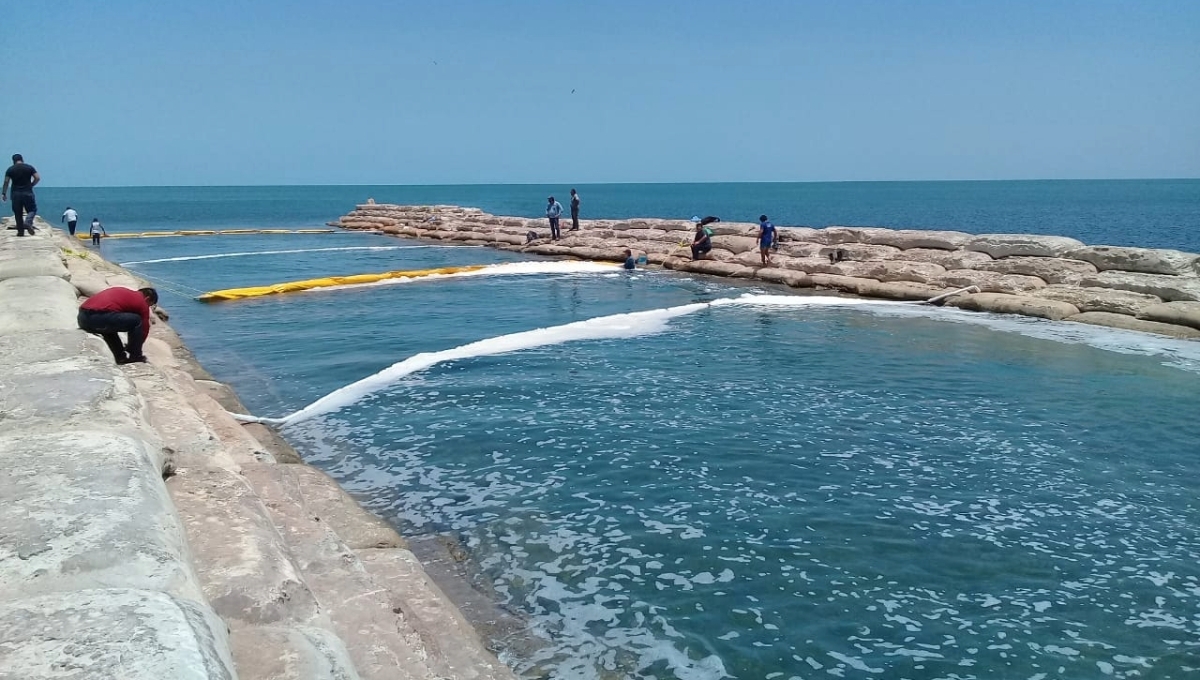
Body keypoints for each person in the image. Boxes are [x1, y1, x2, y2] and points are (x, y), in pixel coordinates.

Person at [77, 287, 159, 364]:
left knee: (110, 329)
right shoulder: (142, 302)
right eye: (149, 305)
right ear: (147, 298)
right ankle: (135, 356)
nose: (148, 307)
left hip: (83, 318)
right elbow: (144, 328)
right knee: (137, 320)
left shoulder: (126, 293)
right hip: (98, 317)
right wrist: (135, 346)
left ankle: (120, 357)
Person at [2, 154, 40, 236]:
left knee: (17, 213)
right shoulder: (29, 167)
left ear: (13, 161)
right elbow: (37, 177)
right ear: (22, 159)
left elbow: (6, 182)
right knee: (32, 210)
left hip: (15, 194)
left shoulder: (10, 169)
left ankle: (20, 232)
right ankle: (28, 222)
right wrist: (31, 185)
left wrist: (4, 193)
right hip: (28, 192)